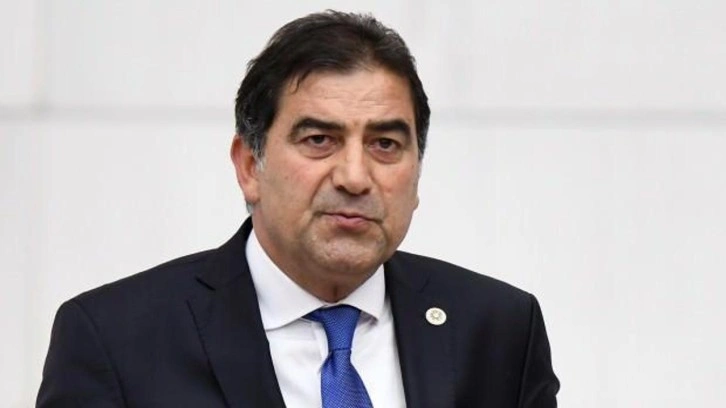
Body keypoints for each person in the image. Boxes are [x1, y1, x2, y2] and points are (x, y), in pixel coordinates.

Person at [37, 10, 559, 408]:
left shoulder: (498, 330)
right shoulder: (116, 339)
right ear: (250, 166)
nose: (354, 177)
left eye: (385, 145)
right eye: (318, 140)